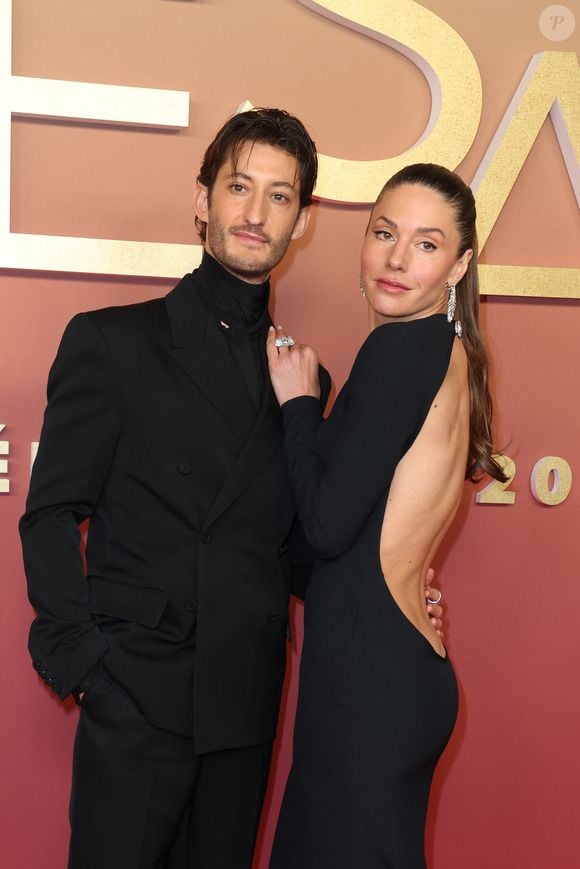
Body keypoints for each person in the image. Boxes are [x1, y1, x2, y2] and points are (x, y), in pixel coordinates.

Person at [19, 110, 444, 869]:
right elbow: (50, 513)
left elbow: (299, 546)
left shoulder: (304, 381)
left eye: (280, 196)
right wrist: (84, 665)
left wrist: (393, 591)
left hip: (244, 706)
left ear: (301, 222)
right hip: (137, 697)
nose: (256, 213)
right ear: (202, 199)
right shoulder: (113, 342)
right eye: (239, 187)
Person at [266, 163, 506, 869]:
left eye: (426, 244)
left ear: (458, 266)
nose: (398, 259)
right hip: (391, 668)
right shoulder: (448, 354)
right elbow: (351, 546)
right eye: (384, 233)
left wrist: (298, 404)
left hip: (367, 681)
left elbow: (325, 527)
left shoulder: (400, 350)